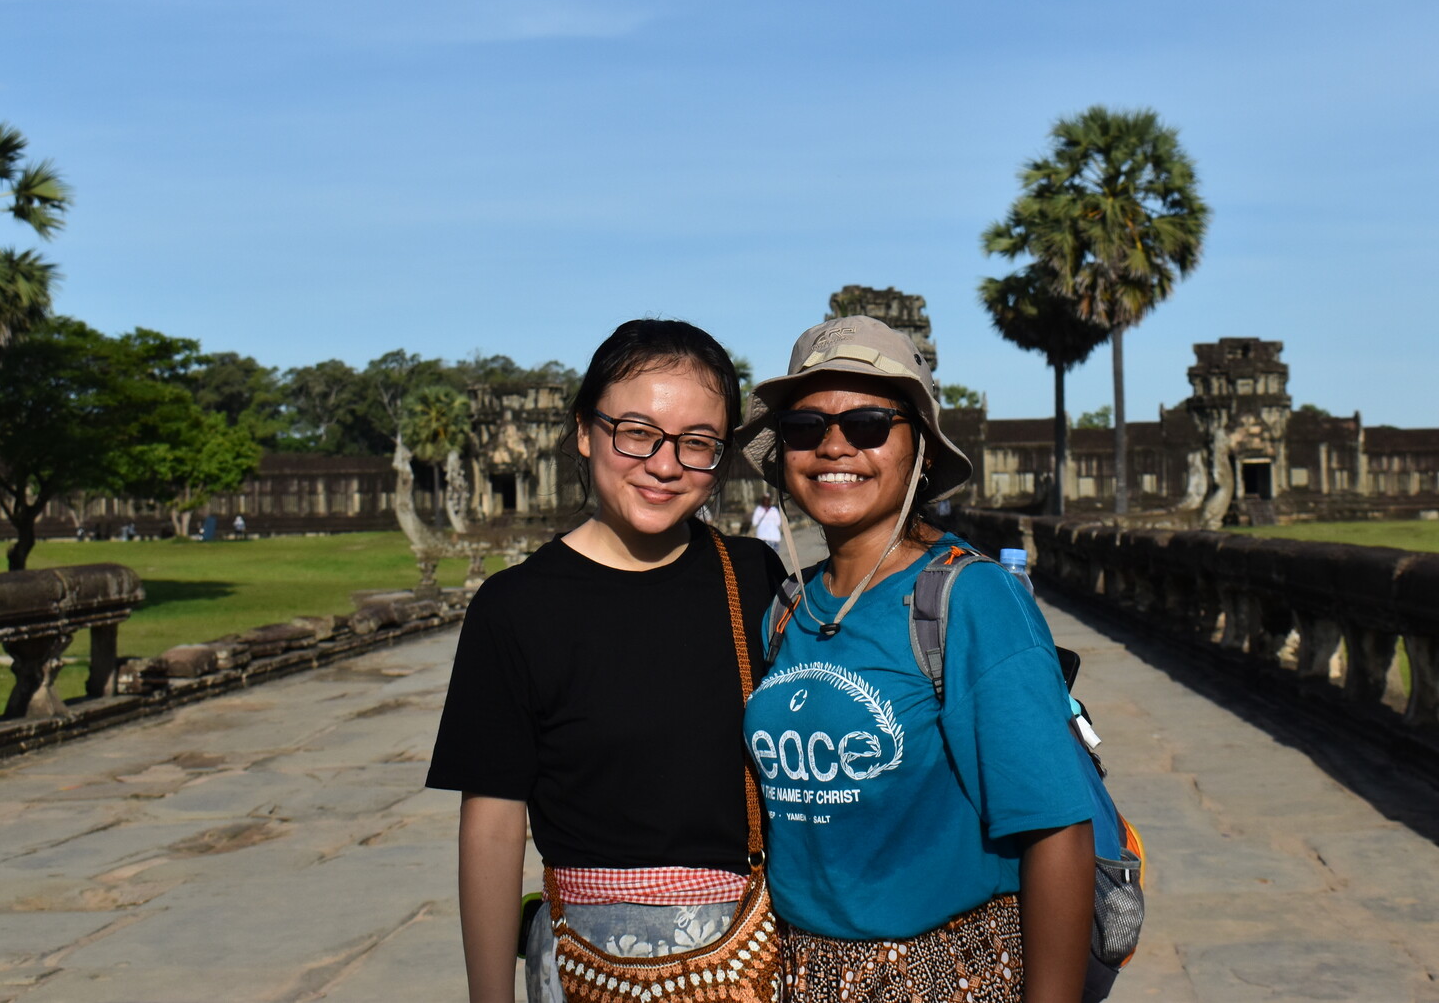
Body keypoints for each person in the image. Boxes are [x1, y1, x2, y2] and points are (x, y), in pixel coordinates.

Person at [734, 316, 1095, 1003]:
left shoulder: (970, 598)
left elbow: (1057, 831)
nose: (834, 445)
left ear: (921, 448)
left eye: (869, 422)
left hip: (947, 973)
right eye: (806, 426)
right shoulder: (786, 608)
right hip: (801, 973)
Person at [426, 319, 787, 1003]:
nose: (664, 463)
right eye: (637, 432)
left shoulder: (753, 576)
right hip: (585, 961)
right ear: (585, 431)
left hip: (752, 957)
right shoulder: (516, 608)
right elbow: (494, 821)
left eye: (697, 443)